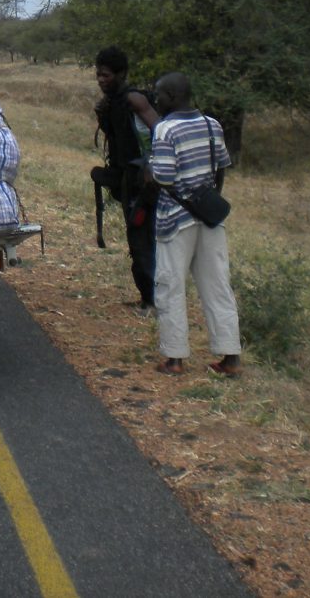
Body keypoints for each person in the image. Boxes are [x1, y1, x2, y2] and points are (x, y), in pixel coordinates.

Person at [147, 72, 241, 378]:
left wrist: (146, 173)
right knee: (218, 286)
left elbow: (163, 177)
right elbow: (220, 168)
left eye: (159, 95)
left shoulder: (165, 128)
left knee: (170, 286)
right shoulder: (211, 124)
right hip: (209, 217)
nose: (155, 100)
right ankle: (230, 359)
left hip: (175, 219)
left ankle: (174, 359)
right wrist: (208, 200)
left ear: (172, 97)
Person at [93, 46, 161, 317]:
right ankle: (148, 297)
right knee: (137, 239)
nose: (101, 80)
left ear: (121, 73)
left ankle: (153, 302)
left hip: (143, 183)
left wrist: (150, 168)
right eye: (98, 75)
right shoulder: (112, 102)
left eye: (106, 75)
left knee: (141, 238)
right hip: (127, 180)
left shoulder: (134, 99)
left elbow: (161, 130)